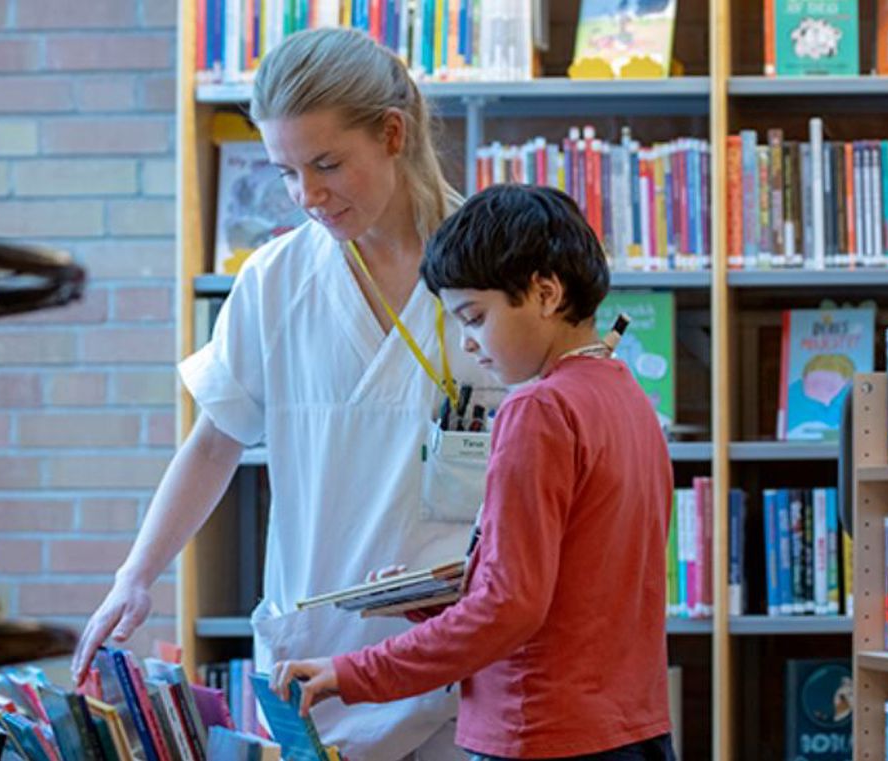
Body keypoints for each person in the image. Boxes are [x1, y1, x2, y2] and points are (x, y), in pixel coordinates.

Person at [70, 28, 498, 761]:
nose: (309, 195)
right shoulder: (275, 280)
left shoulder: (493, 262)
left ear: (392, 134)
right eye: (287, 172)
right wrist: (135, 575)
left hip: (463, 665)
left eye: (328, 164)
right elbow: (215, 438)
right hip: (320, 666)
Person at [272, 185, 675, 760]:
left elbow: (509, 607)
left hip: (541, 728)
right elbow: (575, 587)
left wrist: (352, 672)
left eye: (475, 317)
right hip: (630, 724)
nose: (468, 343)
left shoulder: (538, 410)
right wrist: (433, 599)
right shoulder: (629, 398)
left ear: (544, 292)